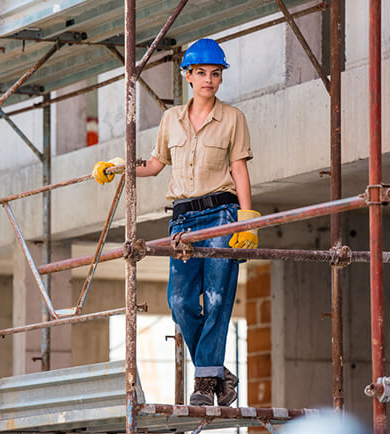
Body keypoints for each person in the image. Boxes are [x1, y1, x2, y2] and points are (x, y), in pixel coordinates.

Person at [92, 38, 260, 406]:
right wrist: (121, 166)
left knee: (217, 298)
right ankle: (216, 371)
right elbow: (154, 165)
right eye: (201, 72)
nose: (209, 80)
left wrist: (247, 220)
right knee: (180, 300)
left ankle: (203, 383)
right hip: (183, 218)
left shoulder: (233, 119)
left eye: (215, 74)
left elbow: (239, 169)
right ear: (187, 75)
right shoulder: (171, 120)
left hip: (221, 214)